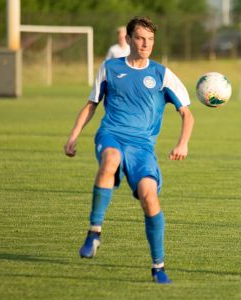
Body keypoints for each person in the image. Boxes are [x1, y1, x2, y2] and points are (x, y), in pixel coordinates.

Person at [64, 16, 194, 284]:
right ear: (128, 39)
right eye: (140, 38)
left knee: (149, 197)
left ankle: (158, 266)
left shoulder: (162, 74)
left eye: (150, 39)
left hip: (143, 147)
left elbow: (187, 114)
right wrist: (73, 136)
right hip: (111, 133)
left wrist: (183, 143)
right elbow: (91, 104)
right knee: (110, 158)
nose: (146, 44)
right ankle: (94, 232)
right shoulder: (110, 68)